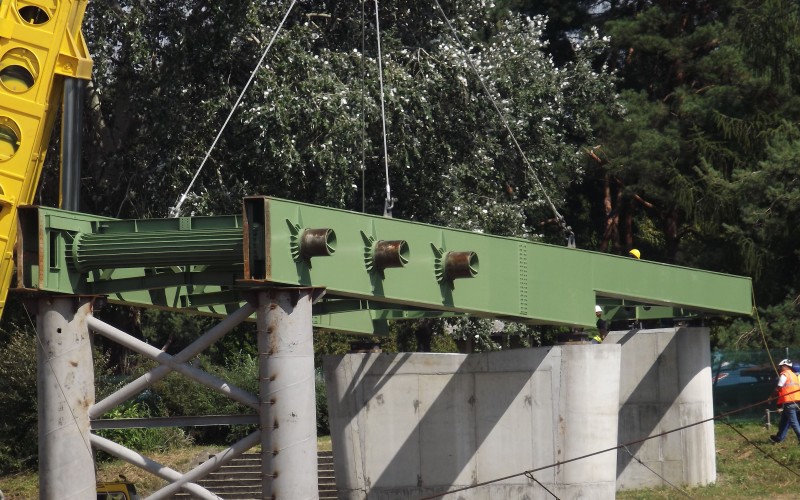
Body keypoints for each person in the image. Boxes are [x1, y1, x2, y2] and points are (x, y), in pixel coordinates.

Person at [770, 359, 800, 444]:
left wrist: (771, 397)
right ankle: (778, 437)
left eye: (780, 367)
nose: (780, 368)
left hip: (789, 403)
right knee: (783, 420)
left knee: (794, 422)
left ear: (784, 366)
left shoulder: (784, 375)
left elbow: (779, 387)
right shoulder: (794, 375)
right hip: (796, 401)